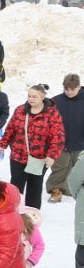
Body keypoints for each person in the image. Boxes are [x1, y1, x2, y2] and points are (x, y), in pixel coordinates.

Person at [0, 84, 65, 209]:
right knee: (16, 186)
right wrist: (2, 145)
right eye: (29, 96)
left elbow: (57, 137)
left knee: (35, 186)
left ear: (43, 97)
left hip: (39, 158)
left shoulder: (52, 114)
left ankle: (31, 214)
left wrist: (52, 155)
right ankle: (13, 211)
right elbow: (10, 129)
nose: (31, 99)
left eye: (35, 96)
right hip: (18, 156)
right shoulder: (20, 110)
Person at [48, 74, 84, 203]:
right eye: (66, 89)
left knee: (77, 168)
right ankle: (55, 190)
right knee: (59, 167)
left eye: (72, 89)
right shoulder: (55, 101)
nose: (69, 92)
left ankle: (72, 189)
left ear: (79, 87)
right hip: (60, 143)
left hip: (80, 142)